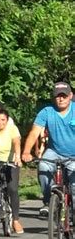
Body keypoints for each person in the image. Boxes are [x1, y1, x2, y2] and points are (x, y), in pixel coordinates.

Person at [22, 82, 75, 216]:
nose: (61, 99)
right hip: (54, 151)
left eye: (64, 96)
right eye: (58, 96)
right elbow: (34, 133)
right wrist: (26, 151)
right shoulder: (46, 112)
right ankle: (49, 200)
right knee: (43, 166)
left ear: (70, 96)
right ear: (53, 97)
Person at [0, 108, 24, 233]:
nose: (0, 122)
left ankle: (16, 220)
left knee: (12, 188)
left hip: (11, 160)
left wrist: (18, 157)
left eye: (3, 120)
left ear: (7, 121)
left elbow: (16, 142)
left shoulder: (12, 129)